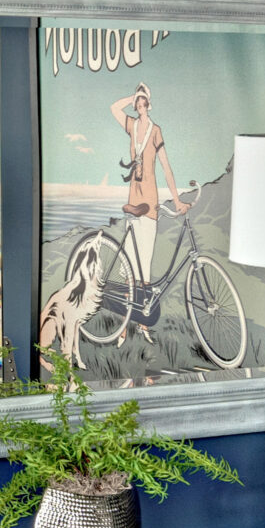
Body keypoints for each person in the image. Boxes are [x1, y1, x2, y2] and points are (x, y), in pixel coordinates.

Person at [109, 82, 188, 344]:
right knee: (130, 263)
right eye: (138, 103)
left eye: (143, 102)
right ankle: (121, 328)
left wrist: (177, 200)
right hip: (134, 197)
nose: (140, 106)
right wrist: (131, 95)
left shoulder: (156, 131)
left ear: (149, 104)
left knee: (145, 263)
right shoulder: (131, 126)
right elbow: (113, 107)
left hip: (151, 199)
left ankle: (142, 325)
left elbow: (166, 166)